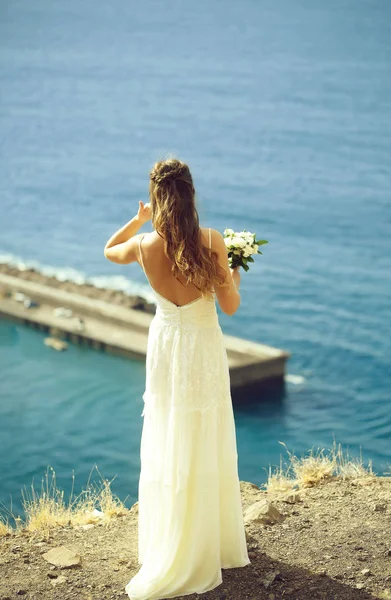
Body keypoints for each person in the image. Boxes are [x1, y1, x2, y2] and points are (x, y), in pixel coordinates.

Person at [104, 157, 250, 599]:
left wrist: (137, 219)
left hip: (166, 347)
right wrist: (235, 275)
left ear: (157, 197)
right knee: (203, 431)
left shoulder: (145, 245)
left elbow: (109, 249)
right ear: (190, 195)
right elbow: (231, 307)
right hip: (202, 349)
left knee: (169, 431)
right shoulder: (211, 241)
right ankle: (207, 538)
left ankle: (169, 537)